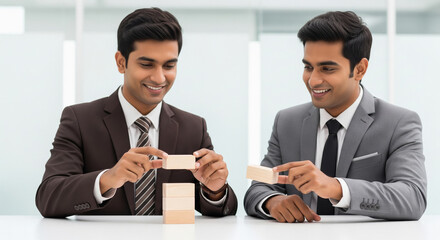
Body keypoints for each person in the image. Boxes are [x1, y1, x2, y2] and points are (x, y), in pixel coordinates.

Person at [36, 7, 237, 218]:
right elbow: (48, 197)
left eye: (169, 65)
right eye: (147, 64)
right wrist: (108, 179)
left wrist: (215, 191)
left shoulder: (194, 127)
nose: (159, 78)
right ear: (121, 62)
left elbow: (221, 208)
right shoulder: (80, 120)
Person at [244, 11, 427, 222]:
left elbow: (413, 198)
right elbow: (258, 186)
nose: (313, 81)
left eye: (327, 68)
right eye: (308, 67)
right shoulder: (287, 121)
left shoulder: (399, 123)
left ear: (359, 69)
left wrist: (335, 187)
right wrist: (272, 201)